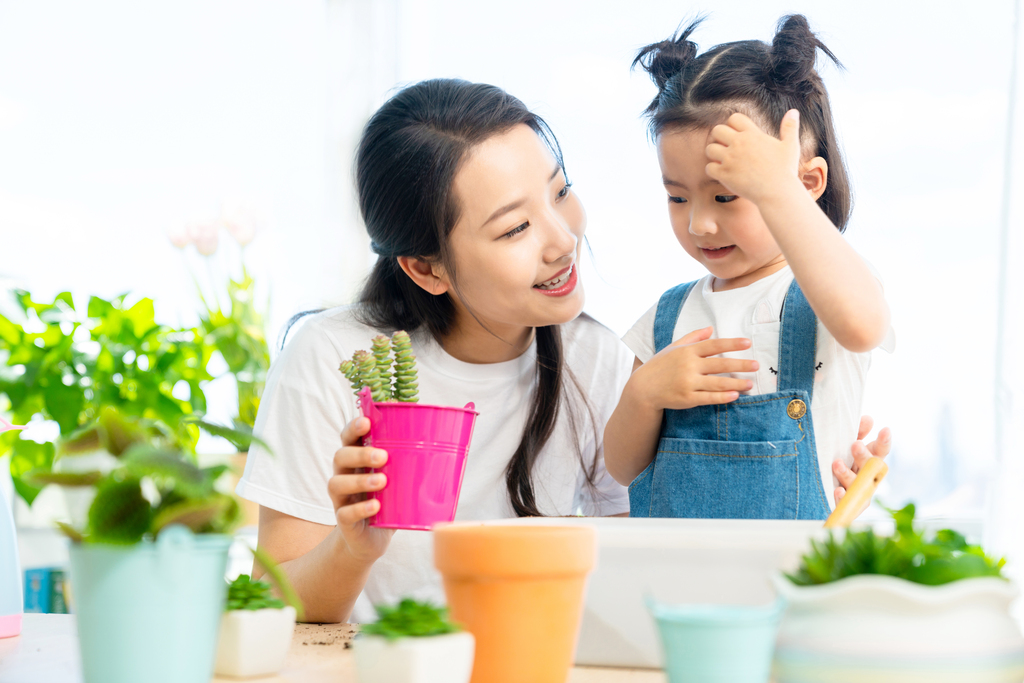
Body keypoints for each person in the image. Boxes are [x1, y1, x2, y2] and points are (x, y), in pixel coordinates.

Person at [240, 77, 891, 624]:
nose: (562, 239)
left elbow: (647, 552)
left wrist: (824, 459)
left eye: (558, 192)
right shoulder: (333, 356)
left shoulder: (599, 360)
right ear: (426, 268)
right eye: (516, 227)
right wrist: (356, 548)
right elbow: (276, 600)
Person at [604, 15, 894, 520]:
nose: (700, 224)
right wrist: (644, 394)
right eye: (677, 197)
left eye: (726, 195)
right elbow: (623, 468)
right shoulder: (669, 315)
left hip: (793, 580)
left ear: (806, 185)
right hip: (679, 579)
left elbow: (863, 326)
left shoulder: (828, 287)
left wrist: (778, 191)